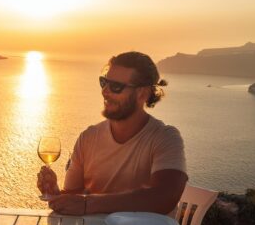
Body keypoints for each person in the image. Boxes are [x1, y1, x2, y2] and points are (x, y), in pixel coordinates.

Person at [37, 51, 188, 215]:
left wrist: (89, 204)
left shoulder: (165, 138)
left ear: (142, 94)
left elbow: (165, 197)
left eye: (116, 86)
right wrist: (56, 195)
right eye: (104, 83)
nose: (105, 92)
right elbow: (76, 196)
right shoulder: (88, 138)